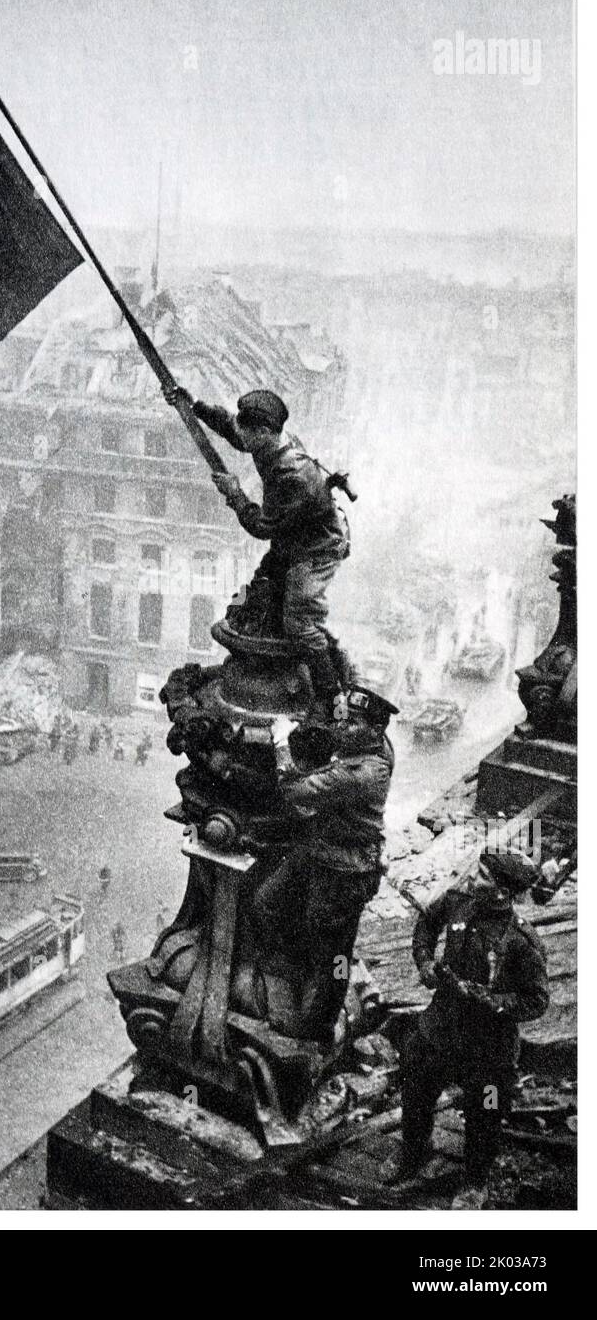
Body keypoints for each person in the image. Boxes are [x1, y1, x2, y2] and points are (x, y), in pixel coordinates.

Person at [385, 845, 549, 1209]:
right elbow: (427, 924)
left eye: (483, 877)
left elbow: (537, 1000)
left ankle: (475, 1183)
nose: (473, 878)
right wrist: (426, 963)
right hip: (439, 1030)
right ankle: (413, 1157)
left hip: (488, 1049)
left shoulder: (522, 942)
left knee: (486, 1113)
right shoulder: (458, 901)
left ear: (503, 892)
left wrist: (493, 1002)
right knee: (415, 1092)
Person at [165, 385, 354, 700]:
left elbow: (261, 527)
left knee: (300, 624)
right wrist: (195, 405)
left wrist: (235, 494)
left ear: (265, 431)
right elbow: (234, 430)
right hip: (292, 535)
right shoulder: (271, 442)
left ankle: (332, 697)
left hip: (317, 548)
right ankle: (235, 618)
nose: (243, 438)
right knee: (254, 591)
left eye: (249, 431)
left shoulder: (292, 475)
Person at [253, 684, 396, 1042]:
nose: (343, 728)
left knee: (332, 954)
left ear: (376, 731)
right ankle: (292, 982)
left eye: (353, 724)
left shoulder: (363, 772)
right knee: (266, 903)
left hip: (344, 870)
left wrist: (282, 743)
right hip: (320, 849)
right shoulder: (371, 746)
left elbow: (293, 791)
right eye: (345, 719)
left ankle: (316, 1031)